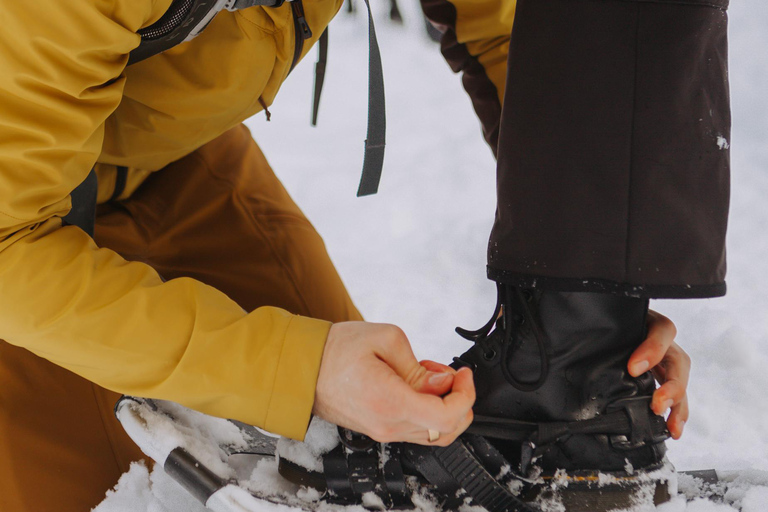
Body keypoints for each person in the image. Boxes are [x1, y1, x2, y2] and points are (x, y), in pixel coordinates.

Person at [0, 0, 714, 510]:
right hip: (16, 233)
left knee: (330, 454)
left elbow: (521, 34)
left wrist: (589, 292)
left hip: (160, 156)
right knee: (96, 492)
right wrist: (300, 365)